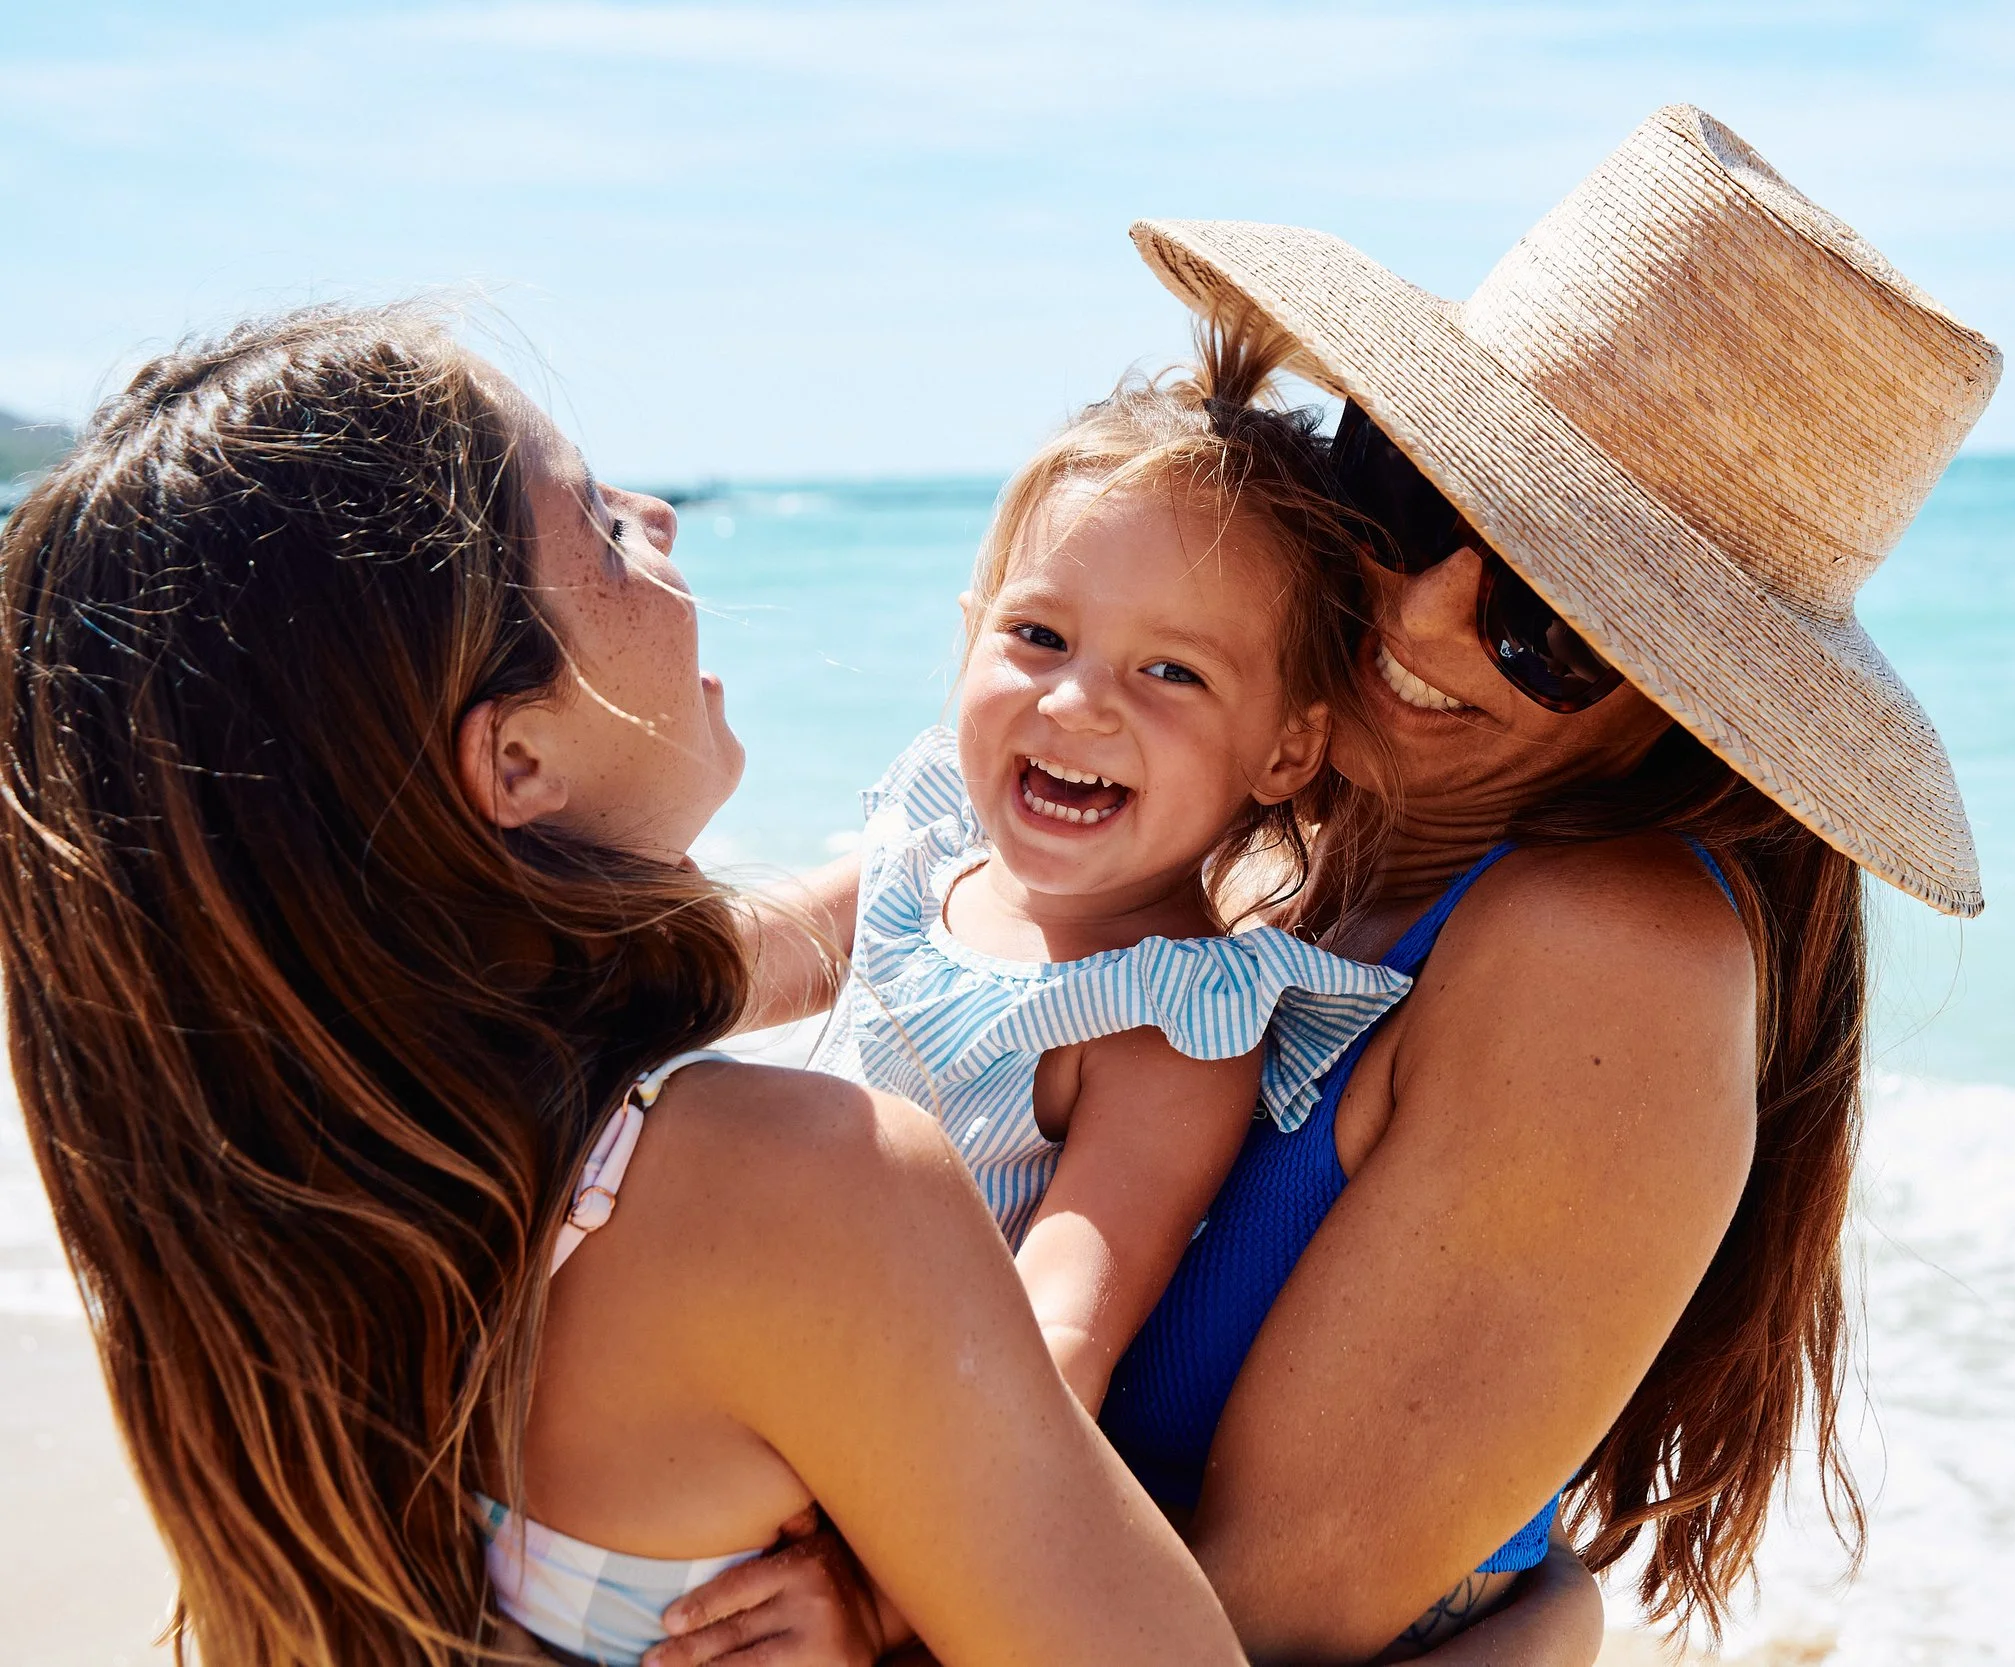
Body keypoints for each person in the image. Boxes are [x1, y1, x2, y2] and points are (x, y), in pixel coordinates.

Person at [660, 103, 2001, 1665]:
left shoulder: (1610, 947)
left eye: (1549, 616)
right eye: (1413, 493)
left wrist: (887, 1612)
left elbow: (1279, 1615)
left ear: (1690, 696)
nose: (1421, 616)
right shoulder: (1271, 829)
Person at [0, 308, 1246, 1667]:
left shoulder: (320, 1213)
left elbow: (823, 942)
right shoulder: (801, 1192)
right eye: (596, 523)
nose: (657, 509)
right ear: (517, 761)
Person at [739, 340, 1412, 1416]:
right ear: (970, 637)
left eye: (1172, 671)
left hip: (870, 1435)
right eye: (1039, 634)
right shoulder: (927, 847)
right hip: (722, 1335)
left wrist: (877, 1572)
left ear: (1287, 750)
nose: (1074, 702)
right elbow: (700, 962)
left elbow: (1058, 1341)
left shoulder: (1164, 1026)